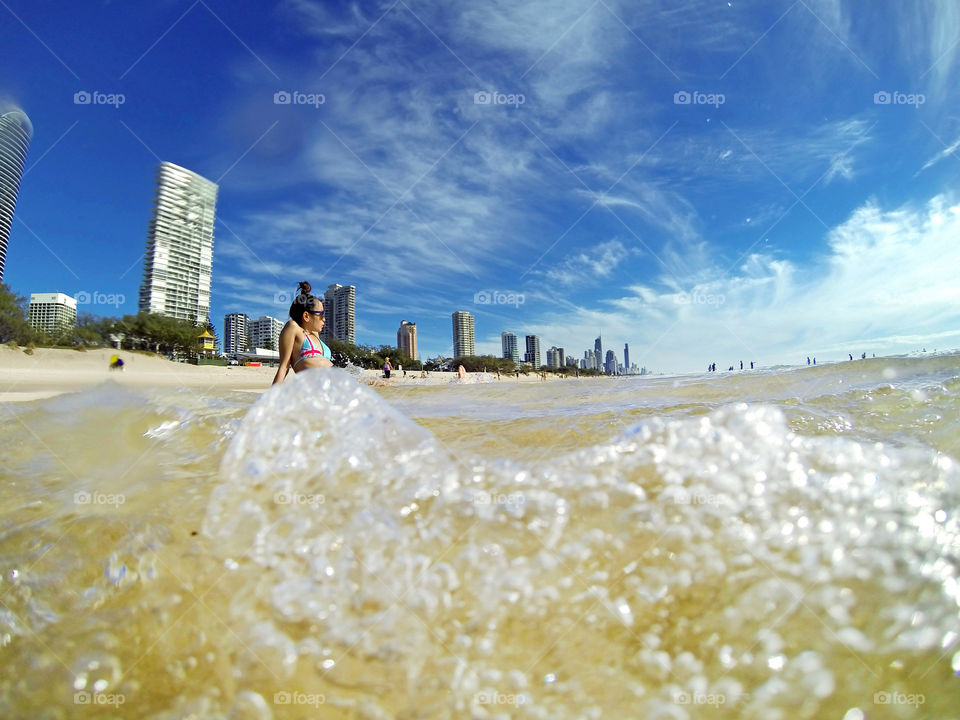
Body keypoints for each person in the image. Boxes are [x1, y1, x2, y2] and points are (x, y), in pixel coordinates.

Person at [272, 282, 333, 384]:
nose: (324, 319)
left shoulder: (315, 334)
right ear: (306, 316)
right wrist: (271, 397)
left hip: (337, 385)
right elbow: (284, 367)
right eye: (321, 315)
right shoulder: (293, 327)